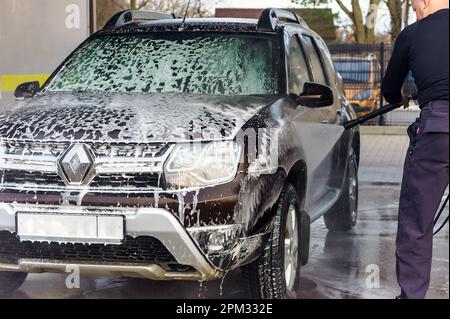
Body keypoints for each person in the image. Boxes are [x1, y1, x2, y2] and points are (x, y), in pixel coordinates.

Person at [381, 0, 449, 299]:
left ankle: (412, 295)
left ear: (424, 2)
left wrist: (402, 96)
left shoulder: (412, 34)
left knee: (416, 222)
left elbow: (389, 90)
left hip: (438, 130)